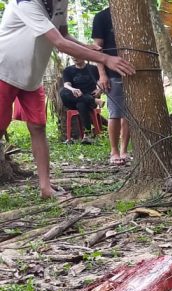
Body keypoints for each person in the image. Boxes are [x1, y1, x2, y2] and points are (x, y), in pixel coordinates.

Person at [0, 0, 134, 198]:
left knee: (38, 128)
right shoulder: (25, 2)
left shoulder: (60, 2)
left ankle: (46, 188)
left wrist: (87, 47)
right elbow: (59, 43)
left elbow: (63, 34)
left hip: (32, 77)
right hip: (4, 72)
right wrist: (105, 59)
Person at [92, 7, 133, 166]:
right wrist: (102, 74)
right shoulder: (101, 16)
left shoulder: (132, 13)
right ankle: (114, 151)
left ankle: (124, 150)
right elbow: (97, 48)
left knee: (128, 114)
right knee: (115, 113)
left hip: (133, 73)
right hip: (112, 73)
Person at [60, 56, 102, 141]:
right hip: (73, 100)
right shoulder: (68, 70)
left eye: (76, 55)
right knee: (63, 92)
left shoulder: (93, 69)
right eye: (72, 55)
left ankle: (87, 135)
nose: (74, 57)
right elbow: (66, 85)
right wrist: (73, 89)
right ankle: (94, 100)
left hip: (89, 100)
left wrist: (99, 90)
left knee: (82, 104)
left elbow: (101, 83)